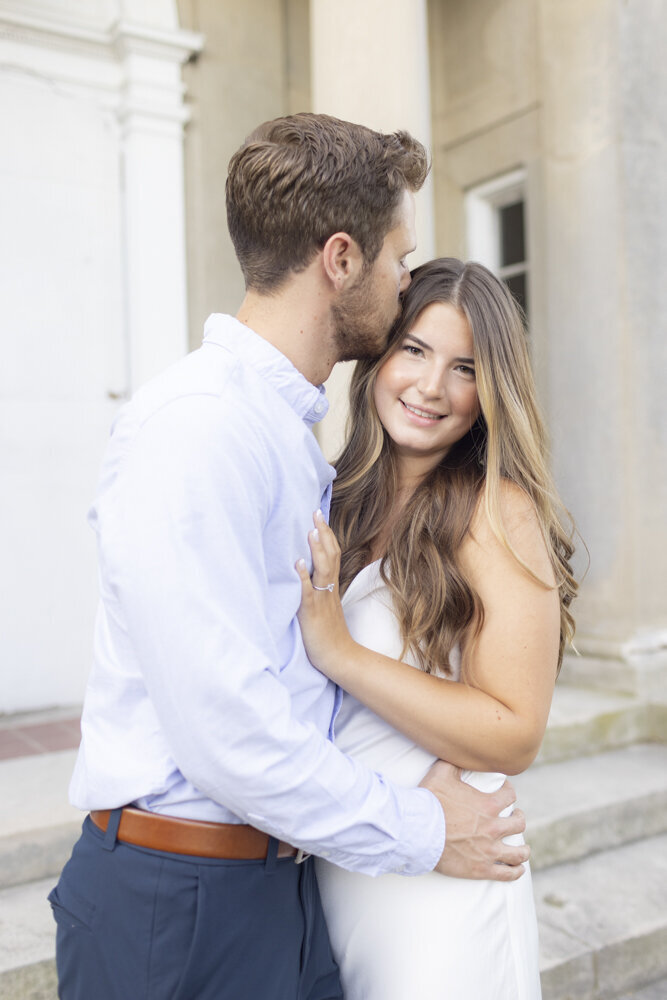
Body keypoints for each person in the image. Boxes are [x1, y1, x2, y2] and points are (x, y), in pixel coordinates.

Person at [48, 118, 529, 1000]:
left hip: (281, 888)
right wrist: (422, 827)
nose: (401, 282)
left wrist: (398, 760)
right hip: (179, 905)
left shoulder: (290, 434)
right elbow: (227, 731)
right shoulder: (198, 428)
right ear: (341, 259)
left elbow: (291, 673)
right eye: (396, 258)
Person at [296, 257, 578, 1000]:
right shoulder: (332, 497)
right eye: (414, 351)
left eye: (464, 368)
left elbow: (514, 730)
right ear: (379, 355)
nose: (429, 388)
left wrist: (342, 654)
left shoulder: (494, 510)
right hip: (349, 859)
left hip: (442, 891)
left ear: (489, 394)